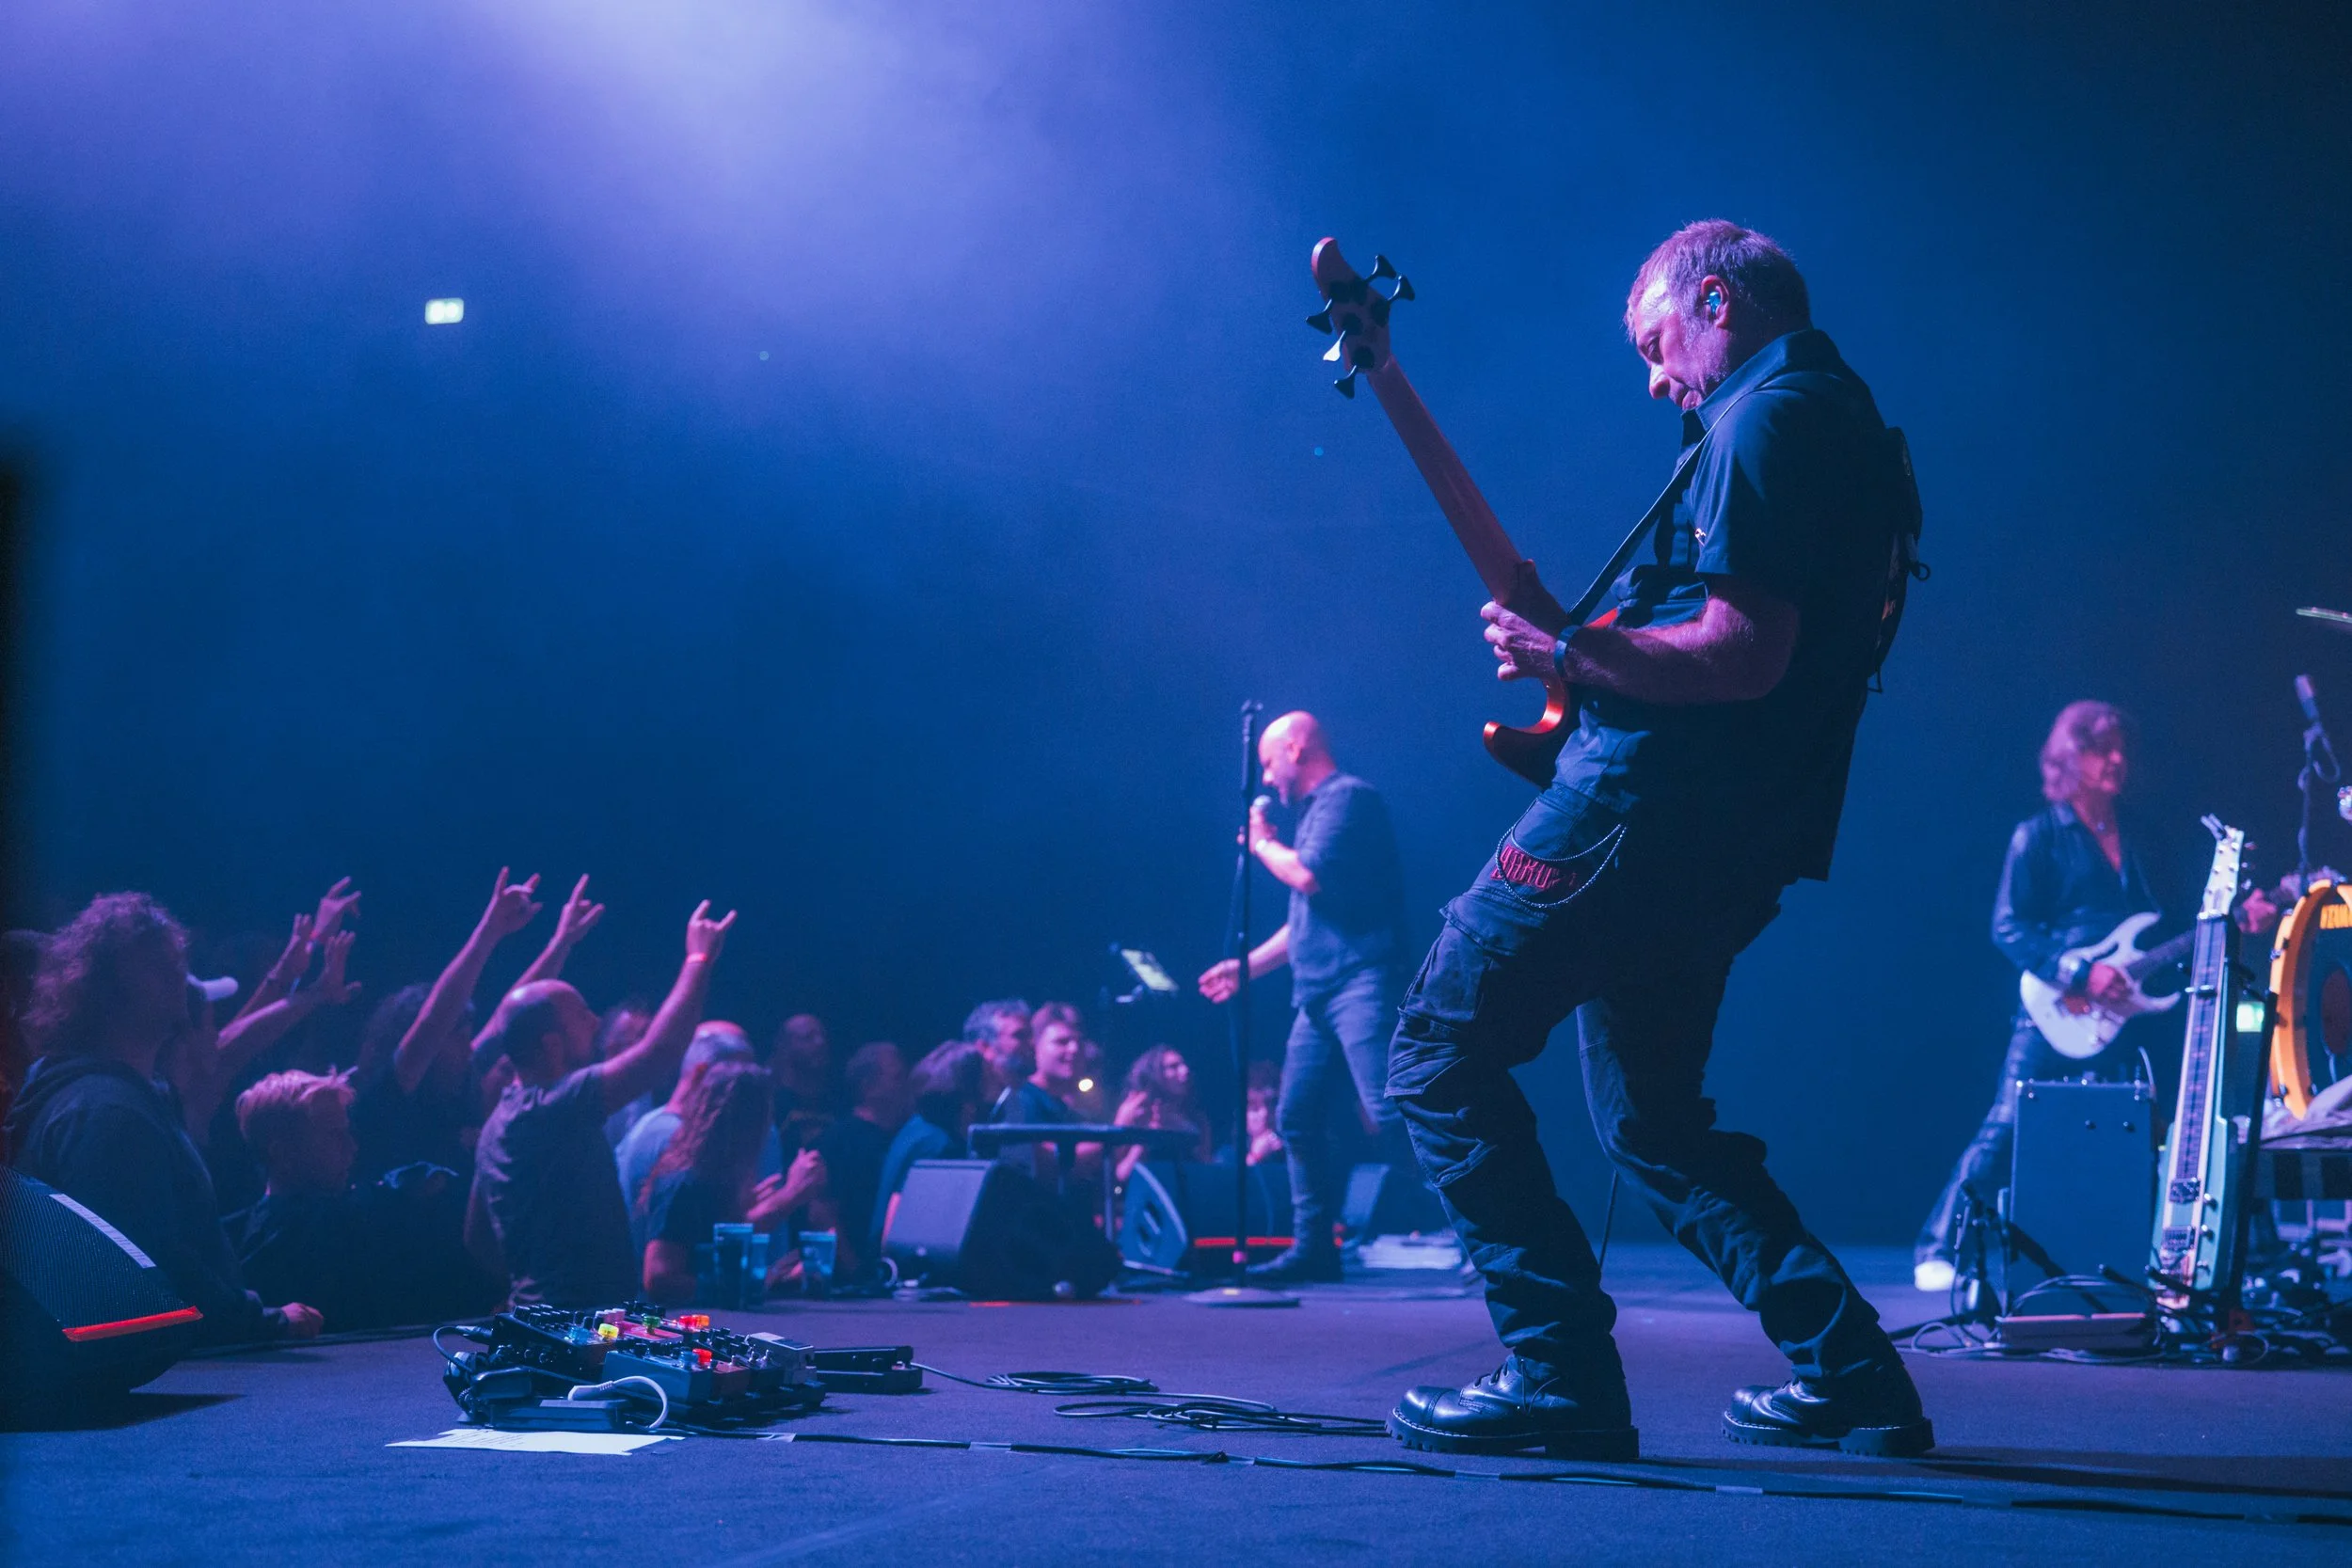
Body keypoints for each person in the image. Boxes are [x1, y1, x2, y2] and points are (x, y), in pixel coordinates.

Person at [1380, 222, 1932, 1460]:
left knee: (1432, 1047)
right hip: (1733, 840)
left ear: (1715, 301)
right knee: (1656, 1123)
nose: (1652, 376)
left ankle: (1557, 1370)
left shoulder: (1765, 420)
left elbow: (1744, 651)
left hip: (1640, 810)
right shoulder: (1845, 419)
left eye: (1653, 341)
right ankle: (1853, 1375)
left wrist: (1572, 655)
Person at [1912, 702, 2279, 1291]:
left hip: (2129, 1011)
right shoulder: (2037, 836)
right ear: (2068, 755)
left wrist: (2236, 918)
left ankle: (2177, 1253)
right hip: (2056, 1007)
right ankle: (1937, 1246)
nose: (2116, 760)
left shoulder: (2142, 835)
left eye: (2122, 750)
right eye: (2101, 748)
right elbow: (2007, 926)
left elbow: (2175, 924)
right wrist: (2079, 973)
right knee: (2006, 1124)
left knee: (2163, 1127)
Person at [6, 894, 323, 1343]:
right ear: (103, 987)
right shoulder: (107, 1110)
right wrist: (264, 1321)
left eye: (176, 958)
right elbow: (150, 1266)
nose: (178, 971)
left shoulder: (124, 1097)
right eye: (156, 963)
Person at [1199, 711, 1410, 1284]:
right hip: (1316, 992)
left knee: (1392, 1110)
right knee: (1297, 1118)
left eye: (1269, 764)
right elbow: (1306, 922)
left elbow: (1307, 876)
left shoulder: (1347, 799)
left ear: (1295, 748)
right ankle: (1316, 1247)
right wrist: (1247, 968)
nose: (1267, 779)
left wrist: (1264, 844)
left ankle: (1479, 1232)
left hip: (1361, 979)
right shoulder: (1317, 814)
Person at [469, 896, 736, 1307]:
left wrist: (530, 1284)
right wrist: (698, 960)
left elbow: (478, 1239)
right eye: (582, 1015)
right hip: (576, 1322)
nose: (595, 1022)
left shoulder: (497, 1124)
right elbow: (658, 1053)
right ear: (552, 1045)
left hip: (542, 1318)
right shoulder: (554, 1104)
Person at [228, 1069, 494, 1329]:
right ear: (284, 1153)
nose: (351, 1146)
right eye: (334, 1135)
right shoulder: (284, 1235)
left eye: (348, 1132)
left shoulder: (347, 1214)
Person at [637, 1062, 824, 1303]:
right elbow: (660, 1279)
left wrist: (774, 1276)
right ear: (748, 1121)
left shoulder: (714, 1180)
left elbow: (710, 1247)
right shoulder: (684, 1183)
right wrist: (753, 1282)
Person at [614, 1022, 760, 1228]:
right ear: (701, 1073)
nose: (745, 1097)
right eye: (736, 1082)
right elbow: (674, 1244)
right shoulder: (672, 1137)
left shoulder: (657, 1126)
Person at [870, 1040, 989, 1253]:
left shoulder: (916, 1128)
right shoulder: (939, 1147)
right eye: (989, 1078)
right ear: (971, 1091)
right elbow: (895, 1228)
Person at [817, 1040, 912, 1273]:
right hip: (852, 1283)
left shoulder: (903, 1138)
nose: (908, 1085)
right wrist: (854, 1269)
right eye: (898, 1077)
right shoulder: (840, 1140)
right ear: (868, 1086)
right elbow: (821, 1212)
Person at [1112, 1044, 1210, 1185]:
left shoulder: (1198, 1120)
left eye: (1184, 1065)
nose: (1185, 1071)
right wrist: (1149, 1135)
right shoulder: (1138, 1115)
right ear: (1155, 1074)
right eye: (1173, 1067)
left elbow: (1206, 1166)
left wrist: (1180, 1126)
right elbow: (1122, 1174)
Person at [963, 998, 1034, 1101]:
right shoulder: (962, 1103)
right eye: (1020, 1035)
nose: (1032, 1043)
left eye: (1032, 1035)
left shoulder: (1032, 1101)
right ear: (985, 1047)